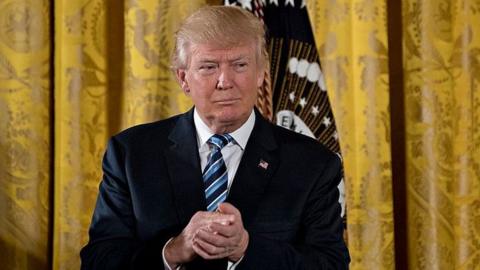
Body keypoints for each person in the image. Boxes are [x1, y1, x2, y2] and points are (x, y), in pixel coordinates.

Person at [80, 5, 349, 270]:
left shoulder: (313, 164)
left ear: (260, 74)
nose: (225, 81)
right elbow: (98, 260)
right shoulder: (131, 154)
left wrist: (245, 248)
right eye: (208, 67)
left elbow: (331, 264)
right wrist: (173, 251)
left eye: (240, 65)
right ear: (184, 79)